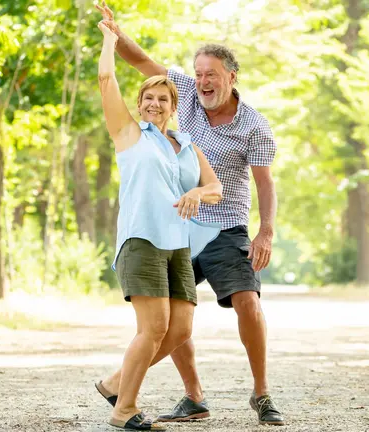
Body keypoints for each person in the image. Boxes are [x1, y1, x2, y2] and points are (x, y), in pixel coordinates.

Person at [94, 2, 284, 426]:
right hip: (172, 230)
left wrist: (265, 231)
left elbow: (259, 183)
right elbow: (138, 62)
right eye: (198, 74)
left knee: (239, 304)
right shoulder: (158, 119)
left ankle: (261, 393)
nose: (203, 82)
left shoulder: (246, 127)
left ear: (231, 77)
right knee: (168, 321)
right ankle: (189, 397)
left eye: (211, 75)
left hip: (223, 225)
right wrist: (113, 33)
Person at [94, 17, 223, 431]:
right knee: (153, 328)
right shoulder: (130, 135)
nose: (155, 104)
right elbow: (106, 80)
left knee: (180, 329)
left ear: (173, 106)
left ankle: (116, 383)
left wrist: (196, 193)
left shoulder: (186, 144)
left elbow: (216, 188)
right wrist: (109, 40)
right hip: (142, 240)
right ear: (139, 104)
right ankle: (124, 408)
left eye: (163, 99)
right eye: (148, 98)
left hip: (177, 245)